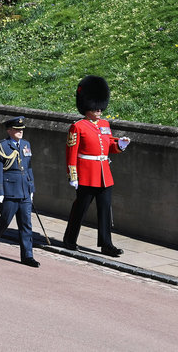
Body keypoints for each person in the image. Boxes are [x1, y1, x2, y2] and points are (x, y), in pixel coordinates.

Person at [62, 75, 131, 257]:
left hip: (104, 174)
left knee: (105, 211)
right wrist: (73, 176)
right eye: (95, 106)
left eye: (100, 106)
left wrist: (120, 146)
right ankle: (70, 239)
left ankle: (106, 244)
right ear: (87, 106)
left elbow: (108, 147)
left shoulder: (105, 124)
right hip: (86, 175)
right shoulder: (78, 127)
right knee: (80, 209)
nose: (99, 109)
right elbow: (71, 153)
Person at [0, 116, 39, 267]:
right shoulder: (2, 146)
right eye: (17, 129)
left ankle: (27, 255)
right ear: (9, 130)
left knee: (26, 224)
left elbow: (29, 168)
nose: (20, 132)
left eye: (21, 129)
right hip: (10, 190)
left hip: (25, 190)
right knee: (5, 220)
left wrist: (31, 187)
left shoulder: (26, 144)